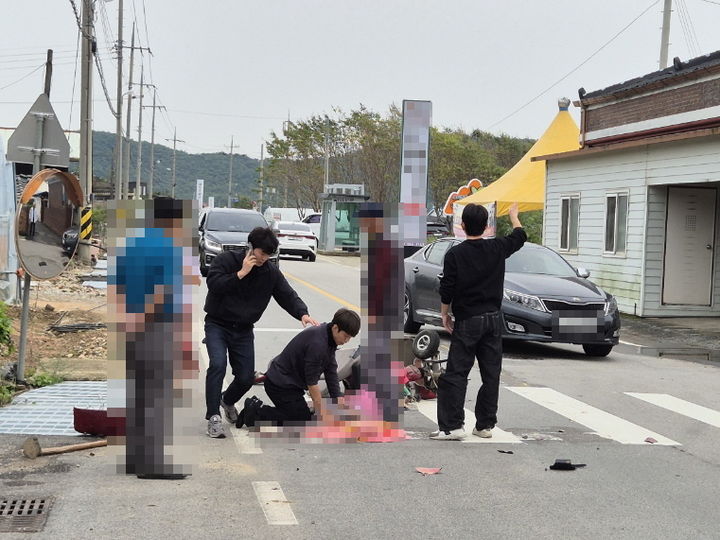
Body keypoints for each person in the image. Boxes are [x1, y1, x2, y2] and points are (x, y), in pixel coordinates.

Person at [204, 226, 319, 438]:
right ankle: (213, 417)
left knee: (246, 378)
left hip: (244, 330)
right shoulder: (227, 260)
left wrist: (302, 313)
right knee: (217, 364)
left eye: (269, 254)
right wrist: (240, 274)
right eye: (262, 253)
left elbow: (286, 294)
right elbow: (214, 284)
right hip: (217, 324)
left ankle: (227, 400)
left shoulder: (270, 273)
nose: (265, 258)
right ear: (250, 247)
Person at [431, 202, 526, 441]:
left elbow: (447, 288)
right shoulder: (497, 248)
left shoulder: (455, 254)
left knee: (457, 373)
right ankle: (484, 425)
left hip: (468, 320)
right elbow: (520, 235)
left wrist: (444, 313)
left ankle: (453, 426)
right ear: (487, 227)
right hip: (494, 320)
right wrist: (514, 215)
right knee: (491, 373)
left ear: (462, 226)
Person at [238, 308, 361, 428]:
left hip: (291, 385)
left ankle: (263, 410)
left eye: (350, 338)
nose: (347, 340)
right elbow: (311, 383)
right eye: (345, 336)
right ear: (335, 328)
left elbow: (331, 370)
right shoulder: (318, 344)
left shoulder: (328, 336)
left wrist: (338, 399)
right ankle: (254, 411)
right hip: (279, 385)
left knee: (300, 415)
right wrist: (321, 411)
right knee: (300, 420)